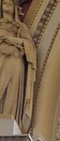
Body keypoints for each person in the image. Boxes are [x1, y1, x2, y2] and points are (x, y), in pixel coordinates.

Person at [0, 0, 36, 133]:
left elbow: (30, 47)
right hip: (1, 59)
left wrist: (16, 40)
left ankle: (7, 112)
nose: (6, 6)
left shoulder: (20, 27)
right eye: (4, 4)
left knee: (10, 88)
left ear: (15, 8)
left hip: (14, 60)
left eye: (9, 4)